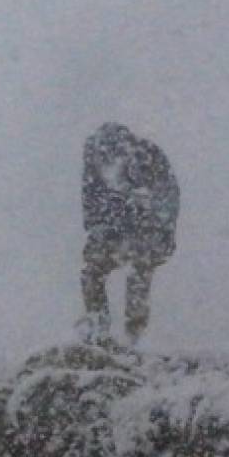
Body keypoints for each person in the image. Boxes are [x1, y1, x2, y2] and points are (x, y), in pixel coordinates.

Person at [79, 122, 179, 345]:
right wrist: (98, 230)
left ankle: (135, 334)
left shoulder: (148, 157)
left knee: (139, 268)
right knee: (91, 270)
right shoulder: (93, 161)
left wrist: (161, 230)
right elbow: (90, 201)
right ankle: (98, 326)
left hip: (149, 228)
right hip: (112, 229)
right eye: (103, 158)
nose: (108, 164)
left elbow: (168, 197)